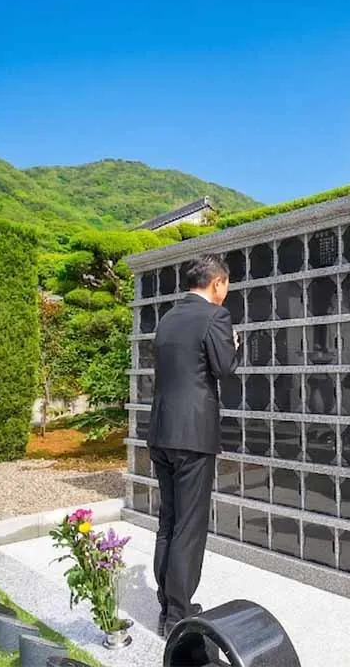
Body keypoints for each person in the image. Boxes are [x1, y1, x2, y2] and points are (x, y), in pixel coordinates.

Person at [148, 254, 241, 637]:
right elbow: (224, 368)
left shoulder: (168, 318)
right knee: (189, 525)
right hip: (193, 436)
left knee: (169, 521)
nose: (226, 292)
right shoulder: (215, 316)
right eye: (227, 285)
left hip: (161, 431)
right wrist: (235, 345)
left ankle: (167, 603)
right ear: (217, 283)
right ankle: (178, 616)